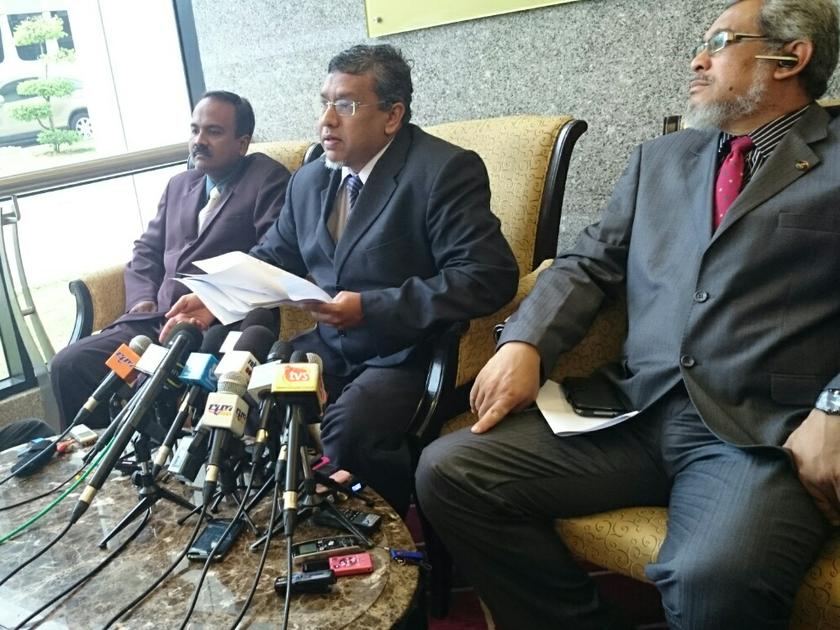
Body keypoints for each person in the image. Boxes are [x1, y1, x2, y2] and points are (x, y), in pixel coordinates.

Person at [416, 1, 840, 628]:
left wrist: (834, 407)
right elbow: (587, 263)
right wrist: (524, 343)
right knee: (450, 471)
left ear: (792, 56)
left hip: (759, 432)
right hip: (632, 412)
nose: (697, 60)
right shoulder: (660, 160)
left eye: (719, 42)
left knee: (713, 581)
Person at [164, 44, 519, 516]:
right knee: (259, 401)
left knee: (349, 429)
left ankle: (390, 555)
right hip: (329, 344)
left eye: (346, 105)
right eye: (325, 102)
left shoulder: (443, 171)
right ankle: (294, 528)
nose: (326, 120)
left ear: (392, 116)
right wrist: (213, 300)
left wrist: (371, 308)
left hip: (406, 351)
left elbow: (488, 276)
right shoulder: (310, 180)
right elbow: (273, 256)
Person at [50, 91, 291, 430]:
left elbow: (273, 254)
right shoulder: (179, 185)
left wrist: (214, 301)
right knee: (71, 364)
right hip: (154, 321)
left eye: (214, 132)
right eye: (194, 130)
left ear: (242, 143)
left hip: (220, 324)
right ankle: (95, 458)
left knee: (174, 386)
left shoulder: (267, 179)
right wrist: (142, 300)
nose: (199, 141)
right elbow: (146, 251)